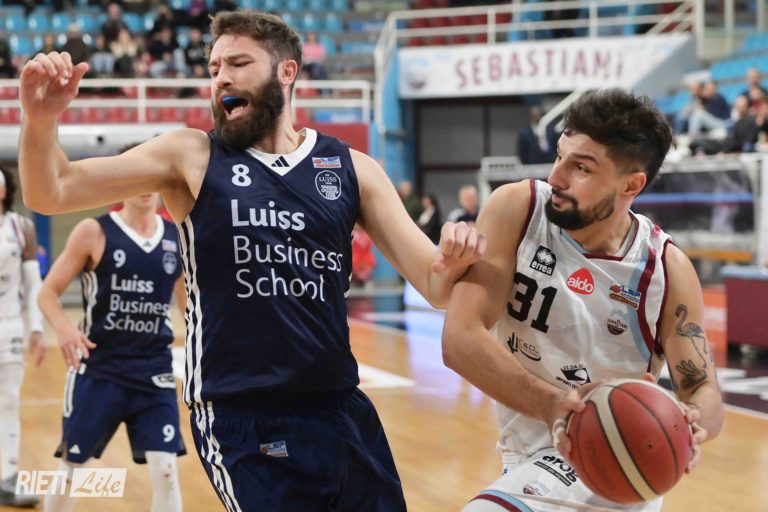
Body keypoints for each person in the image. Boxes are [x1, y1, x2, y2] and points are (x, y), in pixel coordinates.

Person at [18, 10, 485, 511]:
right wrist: (40, 121)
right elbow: (53, 191)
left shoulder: (352, 169)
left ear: (286, 72)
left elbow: (435, 283)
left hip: (340, 408)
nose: (222, 77)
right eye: (215, 67)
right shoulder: (191, 156)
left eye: (239, 63)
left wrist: (456, 249)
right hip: (241, 415)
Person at [442, 89, 724, 511]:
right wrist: (551, 404)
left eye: (581, 168)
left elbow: (702, 388)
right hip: (527, 456)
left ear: (631, 184)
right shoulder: (518, 209)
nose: (556, 176)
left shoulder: (666, 270)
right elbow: (459, 339)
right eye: (560, 156)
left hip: (612, 460)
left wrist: (693, 422)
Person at [37, 189, 186, 512]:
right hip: (99, 368)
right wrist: (64, 328)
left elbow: (190, 304)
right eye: (136, 181)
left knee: (167, 470)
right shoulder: (94, 231)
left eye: (152, 181)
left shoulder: (175, 235)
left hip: (154, 370)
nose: (145, 188)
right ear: (122, 186)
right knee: (73, 469)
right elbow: (47, 292)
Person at [0, 167, 44, 507]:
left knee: (9, 401)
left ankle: (8, 477)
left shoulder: (21, 227)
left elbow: (33, 284)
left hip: (9, 326)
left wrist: (37, 328)